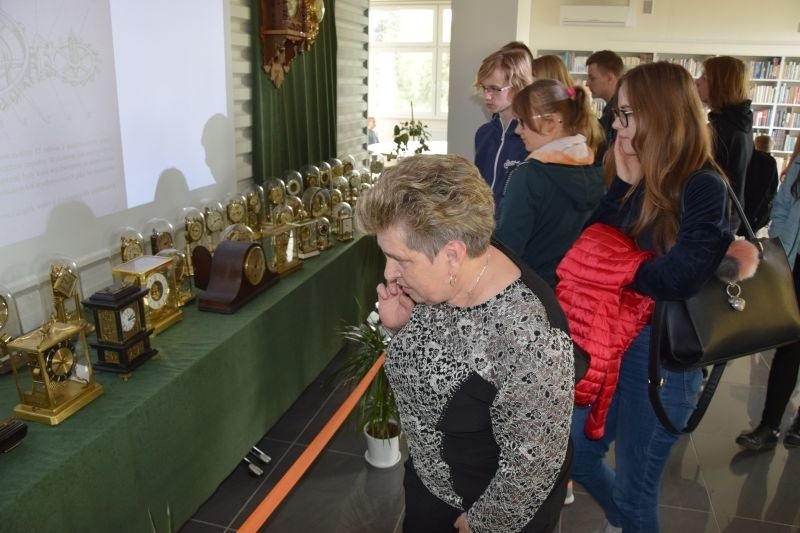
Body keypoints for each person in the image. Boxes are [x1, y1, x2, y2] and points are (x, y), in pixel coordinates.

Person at [355, 154, 575, 533]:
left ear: (453, 255)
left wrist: (484, 522)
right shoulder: (444, 276)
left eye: (399, 260)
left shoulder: (530, 338)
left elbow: (533, 465)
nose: (389, 273)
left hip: (483, 504)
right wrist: (399, 330)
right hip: (428, 479)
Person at [568, 61, 733, 533]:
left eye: (624, 115)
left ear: (656, 115)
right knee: (577, 455)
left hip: (662, 361)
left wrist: (616, 272)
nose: (615, 126)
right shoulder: (640, 177)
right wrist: (622, 183)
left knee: (635, 494)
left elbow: (680, 277)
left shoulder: (703, 184)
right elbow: (589, 245)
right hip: (616, 346)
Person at [494, 79, 604, 288]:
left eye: (523, 122)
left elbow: (507, 250)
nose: (518, 131)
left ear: (551, 122)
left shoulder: (530, 176)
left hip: (532, 293)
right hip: (576, 294)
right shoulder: (594, 169)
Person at [735, 151, 800, 451]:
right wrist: (779, 247)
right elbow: (784, 203)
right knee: (789, 344)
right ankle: (769, 425)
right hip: (793, 262)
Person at [474, 48, 533, 220]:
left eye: (494, 89)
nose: (487, 96)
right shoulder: (484, 134)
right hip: (483, 228)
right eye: (484, 88)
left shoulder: (531, 137)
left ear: (518, 86)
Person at [696, 56, 754, 230]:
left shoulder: (720, 130)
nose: (697, 82)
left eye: (705, 78)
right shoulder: (740, 122)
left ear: (721, 85)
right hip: (728, 214)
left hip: (714, 218)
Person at [585, 50, 624, 165]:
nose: (587, 83)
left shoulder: (619, 113)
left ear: (610, 78)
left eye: (592, 78)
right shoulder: (610, 111)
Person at [740, 134, 779, 234]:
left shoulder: (750, 159)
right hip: (759, 210)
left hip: (745, 202)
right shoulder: (771, 162)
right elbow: (773, 188)